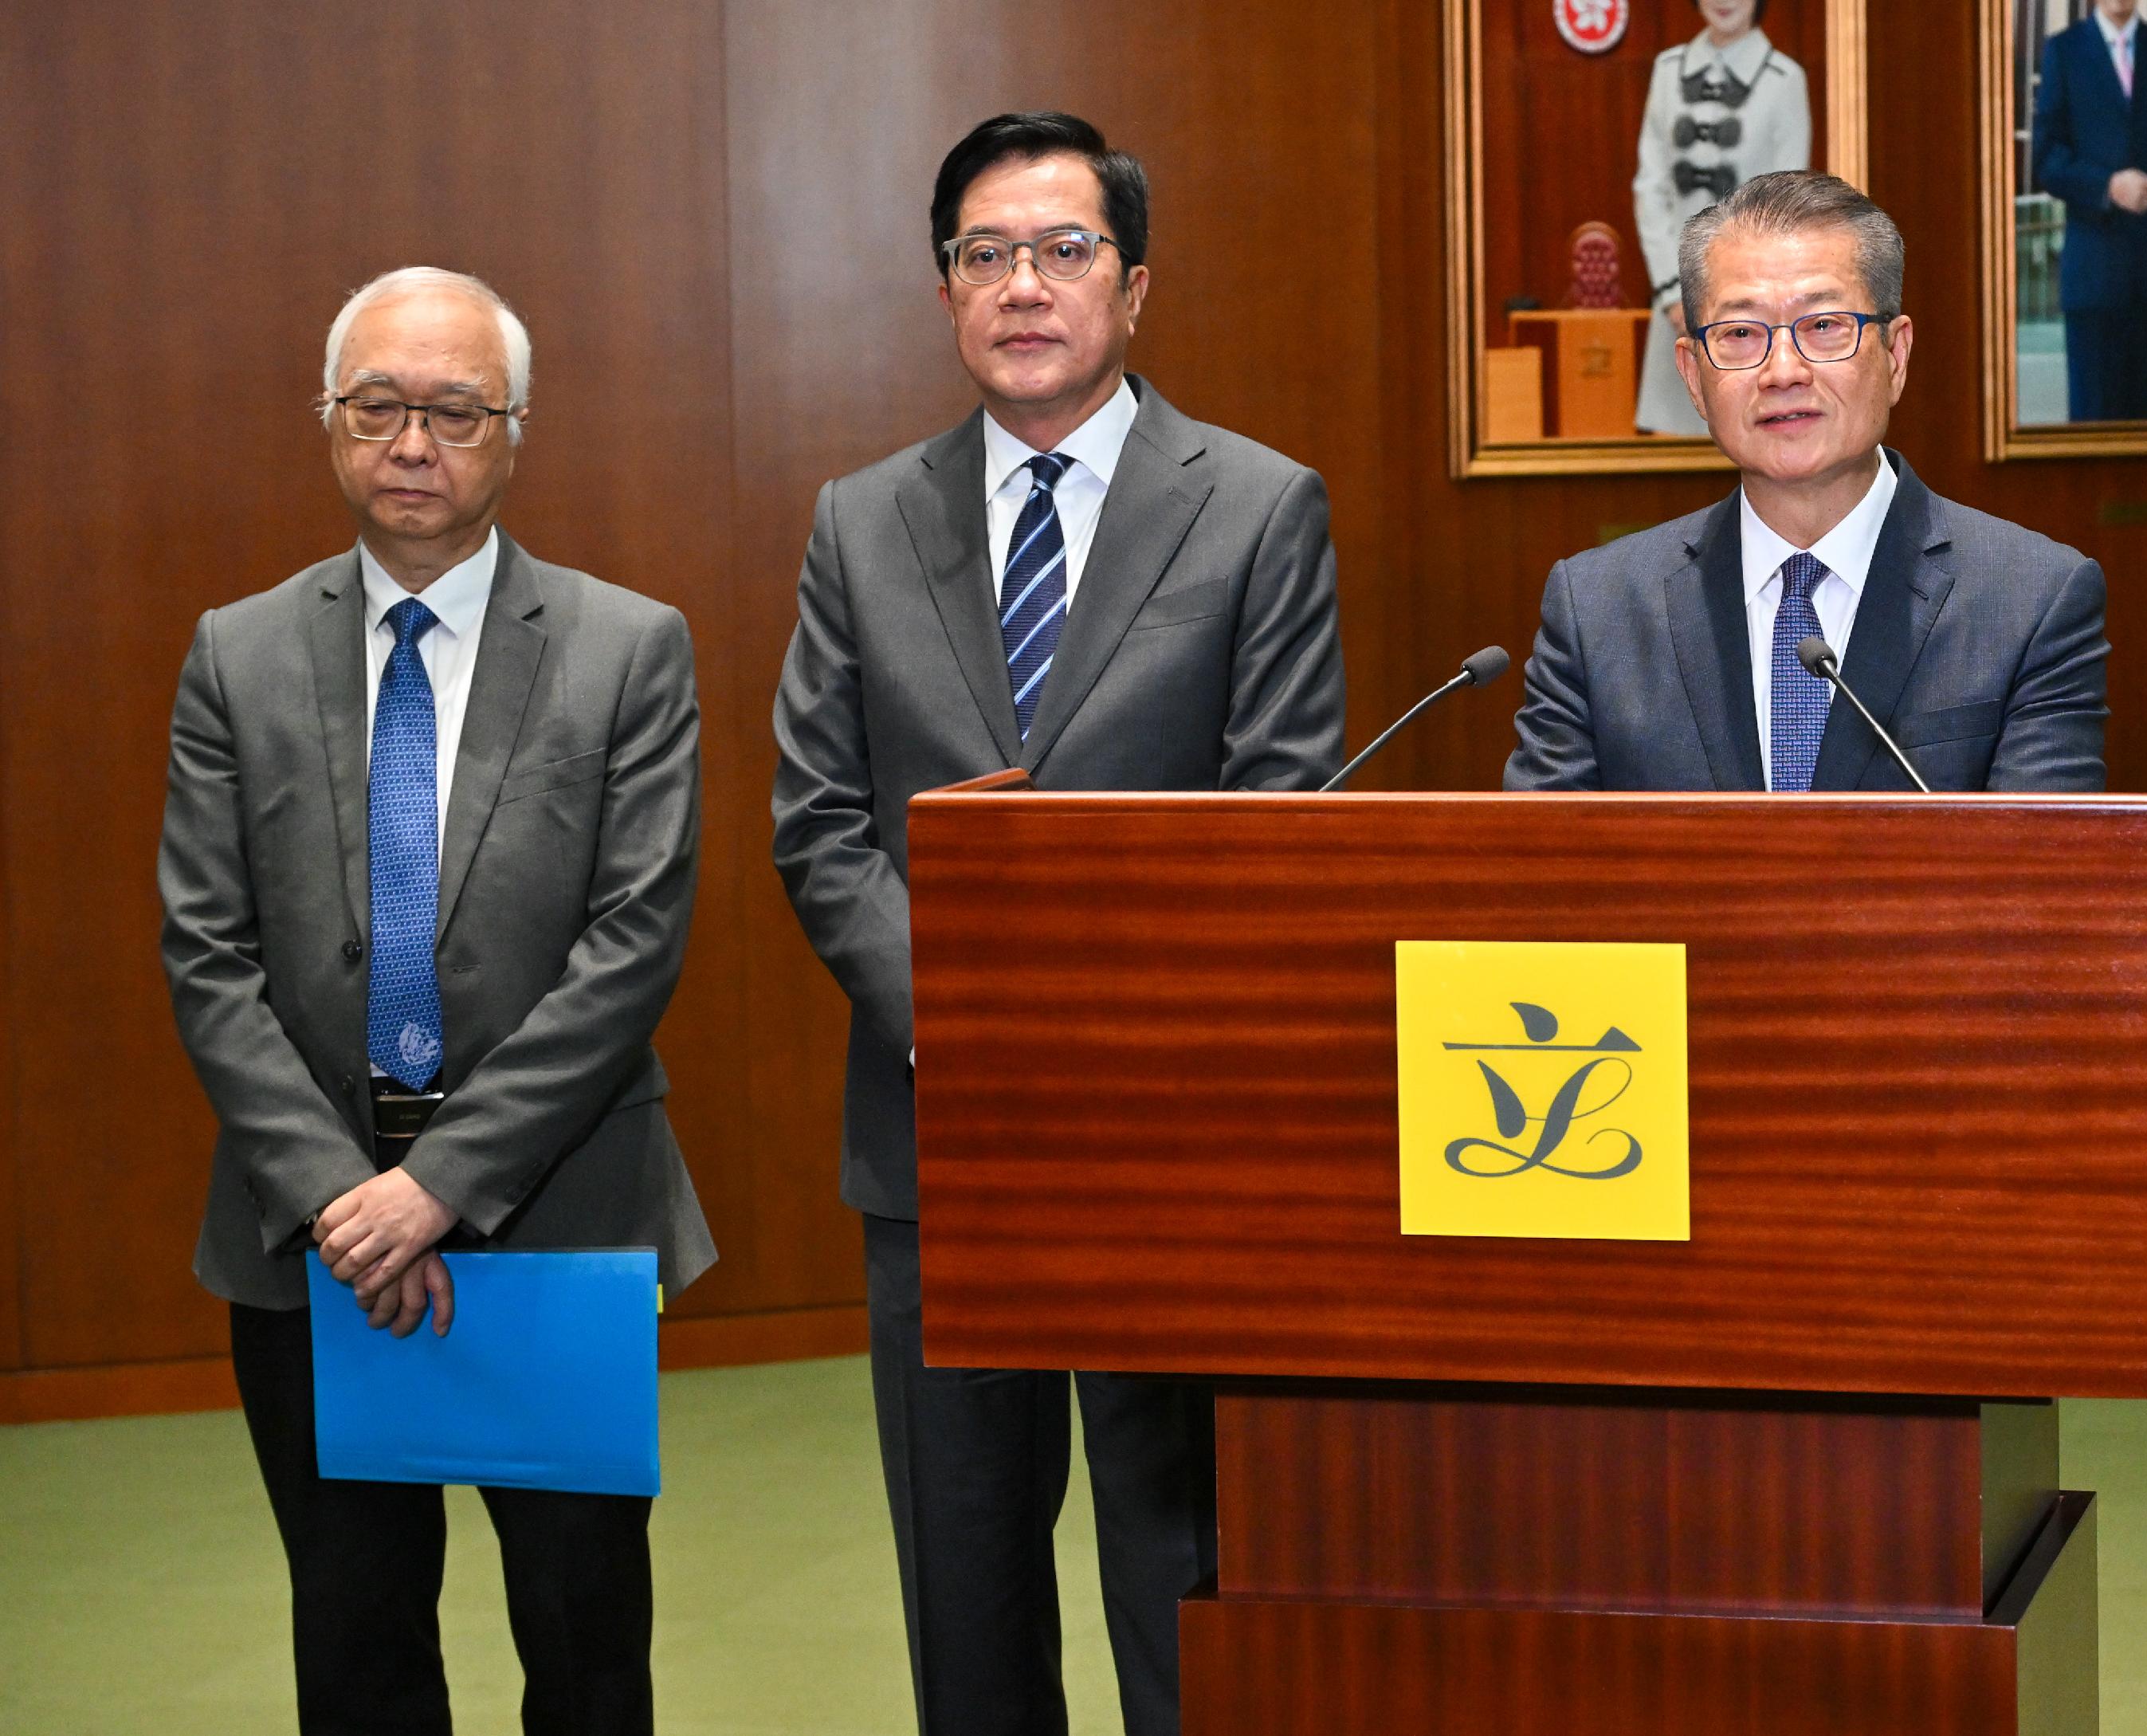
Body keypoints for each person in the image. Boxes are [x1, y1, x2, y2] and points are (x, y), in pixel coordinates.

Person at [770, 112, 1344, 1736]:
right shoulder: (859, 521)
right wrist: (954, 1008)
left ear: (1135, 285)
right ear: (946, 289)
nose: (1023, 286)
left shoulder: (1252, 504)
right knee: (965, 1593)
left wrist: (1094, 1032)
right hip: (938, 1139)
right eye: (983, 255)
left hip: (1174, 1146)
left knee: (1182, 1579)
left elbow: (1277, 816)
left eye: (1063, 249)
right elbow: (815, 821)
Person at [159, 266, 714, 1735]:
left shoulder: (627, 647)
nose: (414, 442)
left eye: (455, 410)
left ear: (514, 430)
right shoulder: (238, 651)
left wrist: (444, 1185)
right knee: (355, 1646)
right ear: (330, 423)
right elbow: (205, 950)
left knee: (588, 1645)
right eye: (379, 406)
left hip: (559, 1216)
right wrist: (354, 1196)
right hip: (310, 1234)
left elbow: (634, 943)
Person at [1508, 171, 2106, 793]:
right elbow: (1542, 878)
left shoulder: (2033, 600)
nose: (1783, 371)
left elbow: (2041, 877)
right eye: (1741, 335)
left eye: (1824, 326)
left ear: (1895, 356)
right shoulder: (1596, 610)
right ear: (1692, 376)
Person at [1632, 0, 1811, 437]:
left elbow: (1784, 206)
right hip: (1674, 304)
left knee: (1753, 436)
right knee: (1670, 465)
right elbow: (1650, 188)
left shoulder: (1785, 80)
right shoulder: (1668, 70)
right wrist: (1675, 294)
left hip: (1754, 306)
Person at [2031, 0, 2147, 422]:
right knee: (2093, 430)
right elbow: (2047, 161)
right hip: (2093, 277)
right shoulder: (2065, 50)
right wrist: (2107, 186)